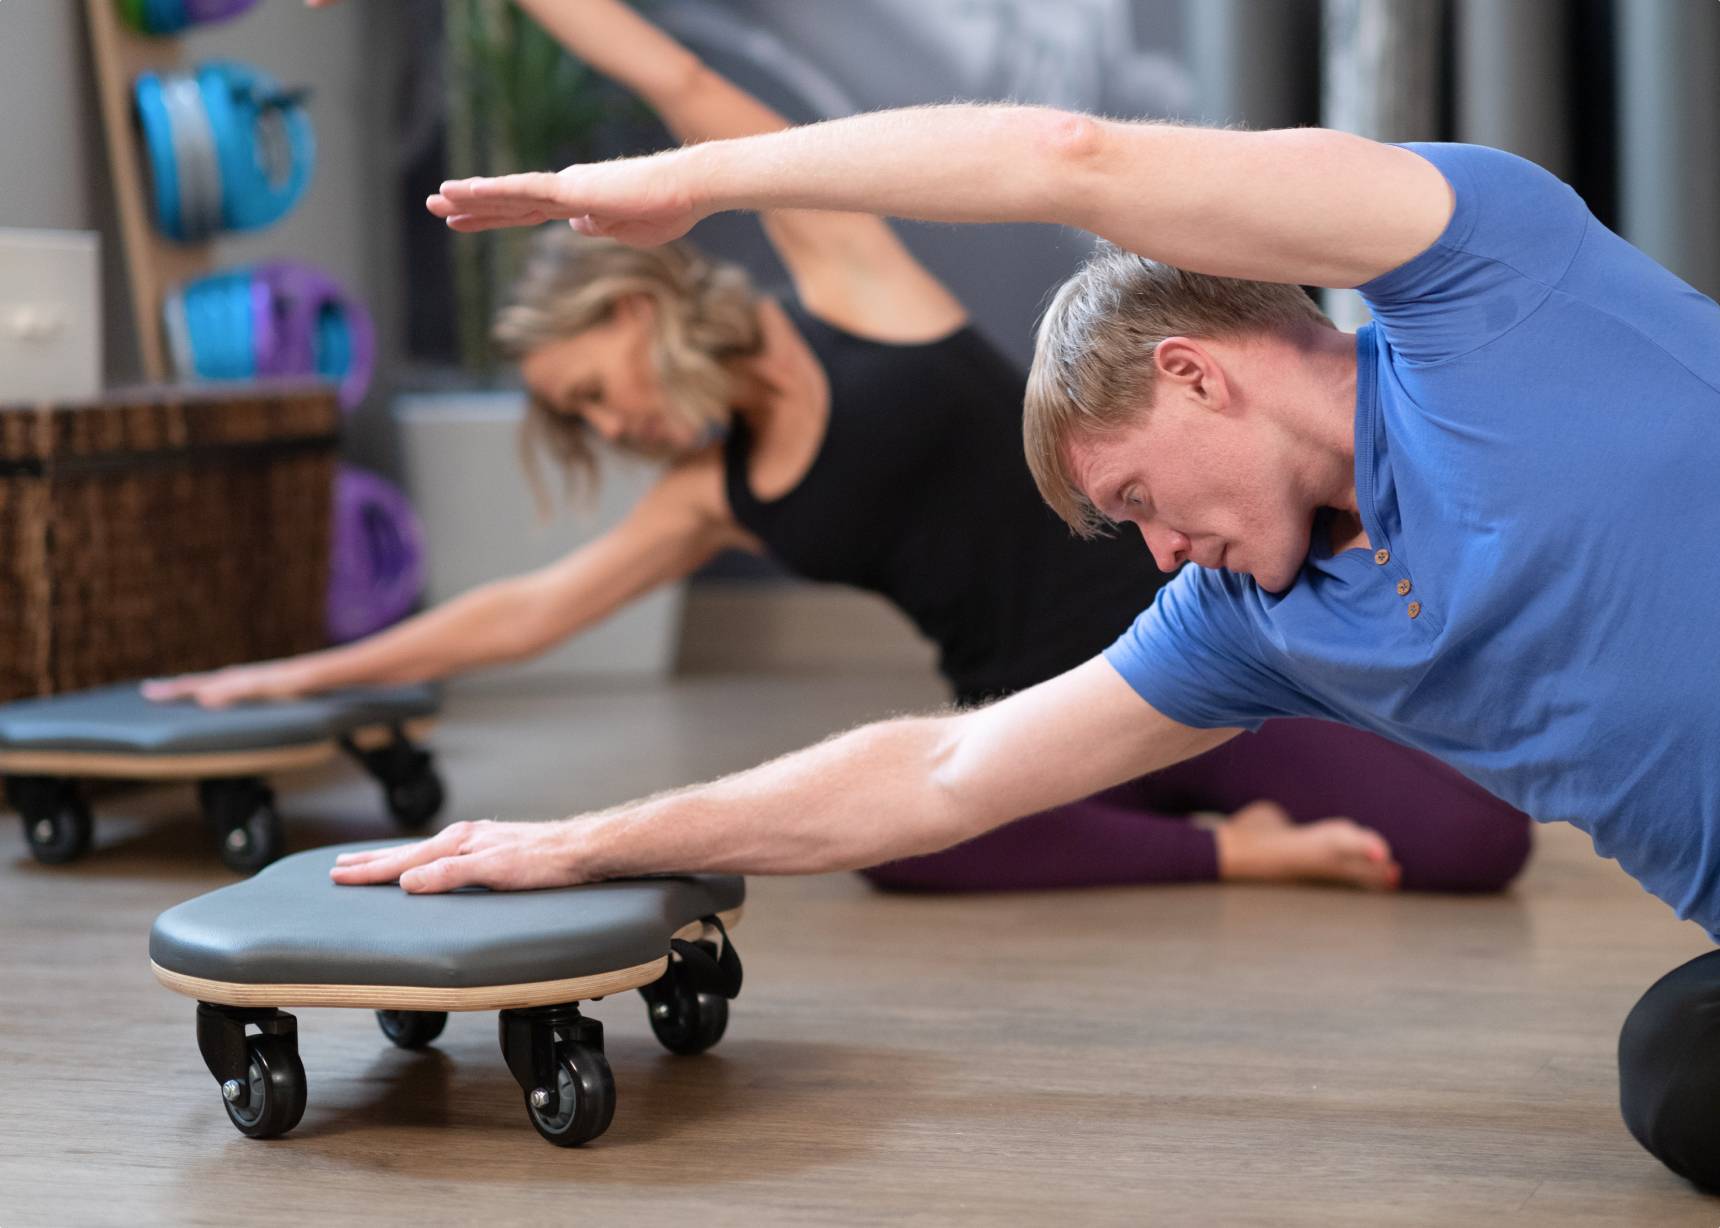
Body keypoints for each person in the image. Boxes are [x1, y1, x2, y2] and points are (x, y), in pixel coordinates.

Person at [331, 101, 1720, 1187]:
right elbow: (942, 775)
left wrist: (699, 179)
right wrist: (580, 842)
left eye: (1137, 502)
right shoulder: (1253, 627)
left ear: (1192, 372)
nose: (1163, 555)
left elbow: (1075, 159)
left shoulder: (1486, 276)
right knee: (1675, 1068)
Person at [150, 2, 1528, 899]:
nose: (617, 429)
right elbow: (517, 617)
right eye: (591, 425)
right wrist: (292, 671)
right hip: (1028, 719)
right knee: (902, 855)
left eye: (596, 389)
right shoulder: (716, 493)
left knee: (1478, 843)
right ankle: (1229, 856)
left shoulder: (847, 281)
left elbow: (681, 75)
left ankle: (1225, 822)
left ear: (638, 305)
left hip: (1194, 654)